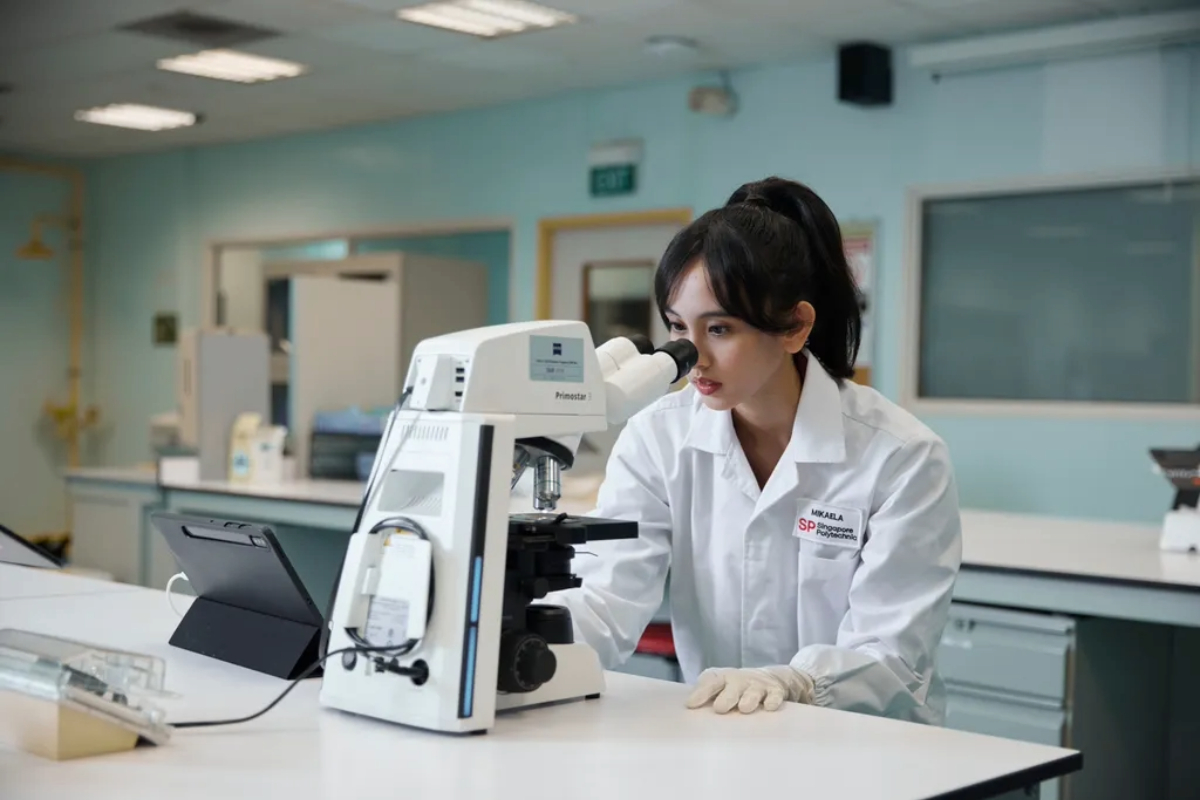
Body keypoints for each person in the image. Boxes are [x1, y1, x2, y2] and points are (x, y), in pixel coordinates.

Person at [550, 176, 962, 725]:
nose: (692, 355)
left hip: (862, 744)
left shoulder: (901, 456)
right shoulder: (658, 437)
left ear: (794, 326)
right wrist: (523, 640)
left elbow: (892, 655)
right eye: (678, 327)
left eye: (719, 328)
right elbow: (606, 601)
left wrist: (796, 682)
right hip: (722, 733)